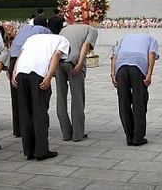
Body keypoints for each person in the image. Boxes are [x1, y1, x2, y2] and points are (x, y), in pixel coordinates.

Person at [11, 32, 70, 161]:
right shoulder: (63, 40)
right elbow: (57, 55)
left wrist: (14, 72)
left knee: (25, 113)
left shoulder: (32, 37)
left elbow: (21, 54)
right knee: (40, 113)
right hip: (38, 75)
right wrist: (49, 76)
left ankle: (29, 151)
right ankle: (41, 151)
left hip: (21, 73)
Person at [111, 33, 159, 146]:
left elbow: (114, 57)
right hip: (137, 67)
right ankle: (138, 137)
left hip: (121, 68)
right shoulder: (152, 40)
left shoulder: (124, 38)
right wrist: (149, 74)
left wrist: (113, 75)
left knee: (124, 102)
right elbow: (151, 54)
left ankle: (129, 136)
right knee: (139, 102)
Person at [7, 24, 52, 137]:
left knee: (17, 98)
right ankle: (35, 127)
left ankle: (19, 129)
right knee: (36, 97)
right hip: (30, 62)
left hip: (14, 61)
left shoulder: (24, 29)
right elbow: (51, 49)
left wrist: (9, 68)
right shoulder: (46, 32)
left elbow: (13, 46)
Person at [56, 20, 98, 142]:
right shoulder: (91, 30)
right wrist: (80, 64)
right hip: (73, 62)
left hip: (58, 63)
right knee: (77, 98)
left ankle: (66, 133)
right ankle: (77, 134)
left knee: (61, 98)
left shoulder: (64, 29)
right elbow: (86, 45)